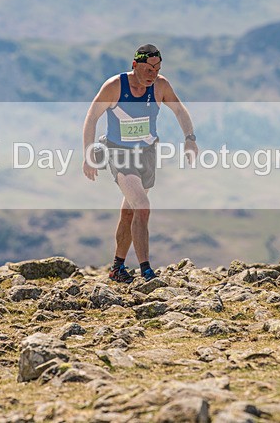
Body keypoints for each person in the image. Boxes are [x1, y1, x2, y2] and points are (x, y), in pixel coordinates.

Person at [82, 44, 198, 283]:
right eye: (147, 69)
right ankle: (146, 271)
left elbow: (179, 110)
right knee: (143, 206)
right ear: (134, 65)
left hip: (147, 153)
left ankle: (117, 268)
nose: (152, 74)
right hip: (118, 153)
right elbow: (92, 117)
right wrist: (88, 152)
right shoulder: (115, 86)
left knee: (130, 212)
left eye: (157, 69)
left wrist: (190, 138)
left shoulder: (161, 86)